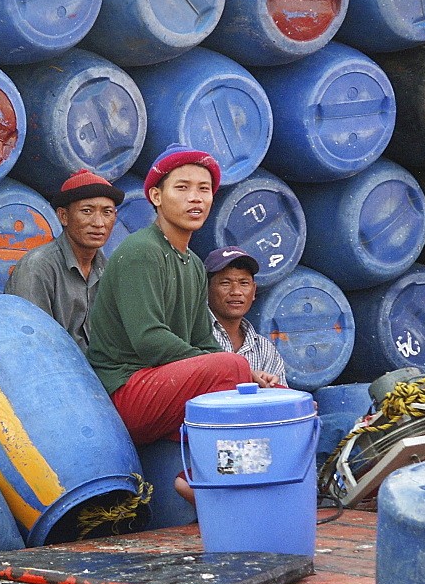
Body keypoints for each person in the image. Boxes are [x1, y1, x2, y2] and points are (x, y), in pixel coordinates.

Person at [86, 144, 279, 450]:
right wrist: (233, 369)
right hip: (126, 391)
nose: (195, 198)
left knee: (275, 391)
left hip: (167, 385)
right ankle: (200, 478)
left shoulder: (193, 266)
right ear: (156, 197)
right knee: (230, 368)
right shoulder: (141, 251)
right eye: (182, 187)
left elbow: (204, 342)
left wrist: (250, 375)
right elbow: (148, 340)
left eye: (204, 189)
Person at [4, 169, 124, 352]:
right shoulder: (38, 266)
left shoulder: (107, 271)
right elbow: (33, 343)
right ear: (63, 216)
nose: (99, 223)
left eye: (107, 212)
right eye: (87, 211)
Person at [205, 245, 287, 386]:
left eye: (244, 283)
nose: (236, 291)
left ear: (254, 290)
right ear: (205, 288)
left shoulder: (264, 349)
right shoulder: (192, 336)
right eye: (225, 283)